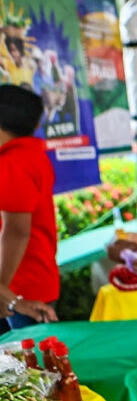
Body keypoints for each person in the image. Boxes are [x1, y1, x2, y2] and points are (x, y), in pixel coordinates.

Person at [0, 85, 60, 331]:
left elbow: (16, 231)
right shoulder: (31, 155)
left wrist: (2, 290)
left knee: (27, 366)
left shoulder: (14, 162)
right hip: (32, 279)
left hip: (20, 287)